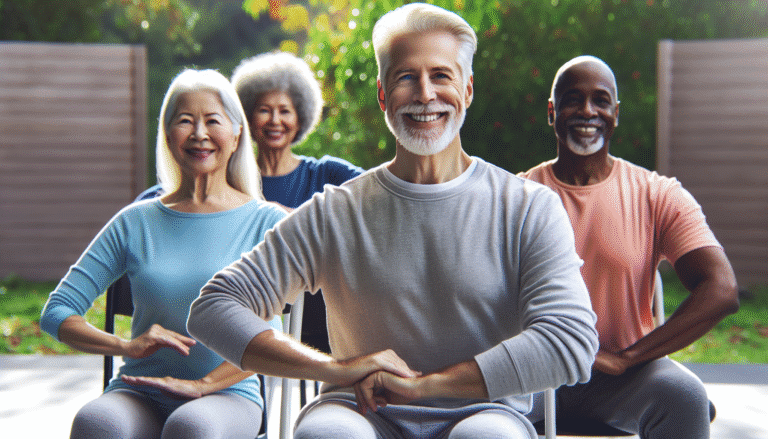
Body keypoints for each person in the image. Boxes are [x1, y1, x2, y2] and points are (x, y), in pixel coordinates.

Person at [186, 4, 599, 438]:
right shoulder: (336, 212)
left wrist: (425, 387)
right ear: (383, 94)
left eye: (441, 75)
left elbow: (570, 340)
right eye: (406, 77)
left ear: (468, 89)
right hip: (359, 409)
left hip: (485, 413)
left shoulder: (528, 207)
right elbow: (214, 307)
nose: (424, 94)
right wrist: (338, 368)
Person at [40, 69, 286, 439]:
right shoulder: (135, 221)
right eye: (185, 121)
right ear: (168, 135)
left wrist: (203, 384)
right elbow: (57, 313)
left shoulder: (267, 222)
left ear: (236, 134)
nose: (199, 134)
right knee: (95, 423)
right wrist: (124, 345)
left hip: (227, 392)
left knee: (190, 427)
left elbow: (272, 336)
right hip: (140, 390)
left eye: (212, 121)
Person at [519, 55, 739, 438]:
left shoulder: (657, 194)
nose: (587, 111)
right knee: (476, 413)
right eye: (573, 99)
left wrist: (627, 359)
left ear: (615, 113)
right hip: (535, 372)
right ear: (553, 112)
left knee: (685, 395)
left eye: (600, 100)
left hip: (623, 377)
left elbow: (721, 290)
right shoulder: (516, 196)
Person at [231, 51, 364, 353]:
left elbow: (382, 199)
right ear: (248, 117)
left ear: (300, 116)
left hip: (322, 324)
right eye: (264, 110)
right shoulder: (228, 179)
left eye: (285, 111)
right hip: (246, 321)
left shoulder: (328, 173)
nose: (275, 121)